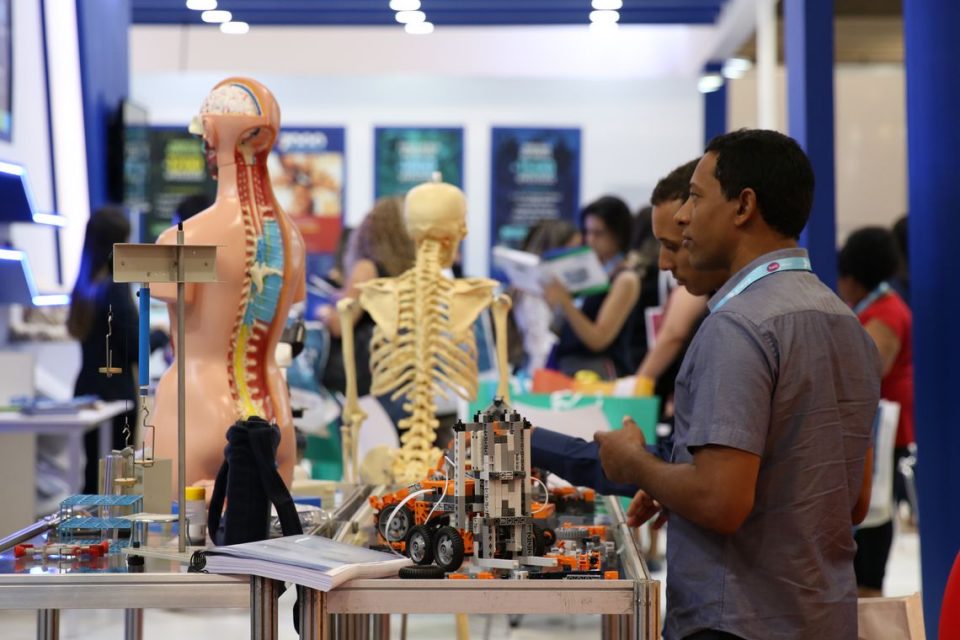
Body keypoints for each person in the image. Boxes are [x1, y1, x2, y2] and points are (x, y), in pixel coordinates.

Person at [595, 129, 881, 639]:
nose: (685, 216)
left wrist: (633, 462)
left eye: (696, 197)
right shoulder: (846, 323)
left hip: (736, 622)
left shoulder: (739, 326)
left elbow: (721, 501)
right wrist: (674, 484)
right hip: (824, 618)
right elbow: (850, 500)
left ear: (743, 206)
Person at [530, 163, 725, 497]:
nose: (663, 262)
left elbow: (713, 489)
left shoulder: (628, 280)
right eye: (587, 233)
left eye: (677, 244)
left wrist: (639, 384)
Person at [838, 226, 915, 597]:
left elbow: (867, 370)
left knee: (872, 526)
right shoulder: (881, 307)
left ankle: (869, 601)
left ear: (853, 279)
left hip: (883, 437)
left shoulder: (885, 312)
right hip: (874, 434)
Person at [67, 206, 139, 494]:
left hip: (87, 390)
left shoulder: (83, 285)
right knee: (115, 485)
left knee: (93, 477)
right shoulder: (115, 287)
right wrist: (160, 337)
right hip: (116, 395)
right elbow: (134, 347)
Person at [321, 195, 414, 397]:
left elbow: (340, 326)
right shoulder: (412, 271)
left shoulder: (367, 268)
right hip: (402, 368)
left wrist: (326, 314)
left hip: (364, 372)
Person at [545, 196, 640, 378]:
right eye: (587, 232)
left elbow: (598, 339)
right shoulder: (594, 271)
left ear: (618, 235)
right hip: (571, 367)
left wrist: (565, 302)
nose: (590, 240)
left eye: (598, 233)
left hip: (599, 373)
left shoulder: (625, 279)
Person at [508, 219, 581, 374]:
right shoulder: (531, 295)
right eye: (571, 252)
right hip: (533, 375)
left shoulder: (551, 291)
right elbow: (539, 350)